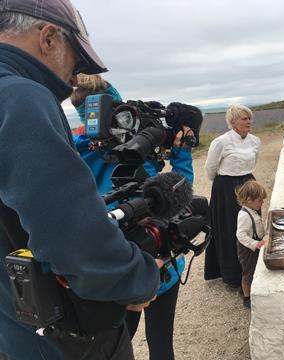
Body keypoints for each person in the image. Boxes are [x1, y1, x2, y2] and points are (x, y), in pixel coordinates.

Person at [0, 1, 162, 359]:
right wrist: (137, 279)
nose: (74, 77)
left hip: (11, 326)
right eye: (76, 61)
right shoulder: (20, 97)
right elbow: (70, 235)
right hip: (57, 336)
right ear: (48, 39)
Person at [70, 74, 194, 360]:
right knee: (161, 343)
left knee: (115, 347)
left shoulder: (72, 150)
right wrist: (181, 154)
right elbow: (176, 196)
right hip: (159, 263)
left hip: (113, 267)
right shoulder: (136, 151)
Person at [204, 105, 261, 288]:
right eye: (244, 118)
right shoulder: (221, 142)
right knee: (229, 229)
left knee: (253, 225)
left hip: (248, 185)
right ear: (233, 121)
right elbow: (210, 170)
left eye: (249, 118)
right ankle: (233, 275)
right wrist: (224, 186)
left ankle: (252, 269)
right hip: (226, 189)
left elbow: (253, 163)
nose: (248, 121)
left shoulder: (255, 141)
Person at [235, 181, 267, 308]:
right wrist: (255, 244)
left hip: (253, 245)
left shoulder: (252, 210)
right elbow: (241, 235)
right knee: (248, 271)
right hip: (247, 249)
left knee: (253, 269)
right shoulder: (244, 216)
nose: (262, 203)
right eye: (260, 200)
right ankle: (247, 296)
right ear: (249, 200)